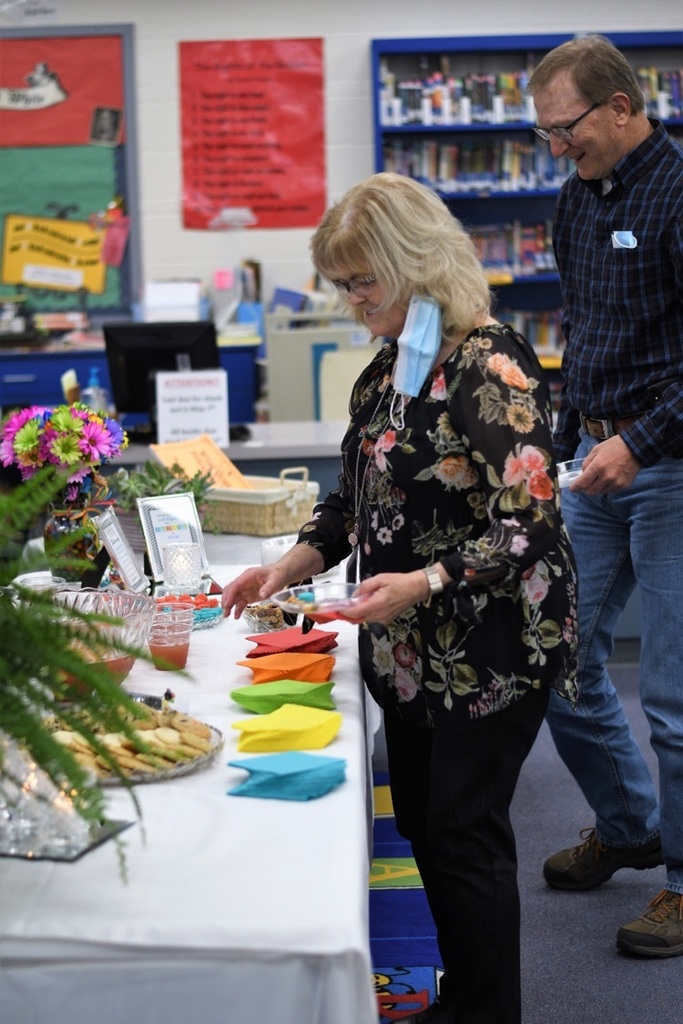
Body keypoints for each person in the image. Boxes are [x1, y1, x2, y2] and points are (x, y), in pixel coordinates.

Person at [222, 172, 578, 1024]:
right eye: (340, 283)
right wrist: (293, 562)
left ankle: (488, 1010)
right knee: (423, 824)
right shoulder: (392, 363)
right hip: (411, 646)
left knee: (463, 835)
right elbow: (356, 496)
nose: (349, 300)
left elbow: (529, 516)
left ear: (413, 263)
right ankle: (463, 992)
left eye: (360, 281)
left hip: (489, 644)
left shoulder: (488, 362)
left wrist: (427, 580)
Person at [527, 34, 683, 957]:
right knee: (556, 658)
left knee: (669, 700)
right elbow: (578, 333)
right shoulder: (573, 200)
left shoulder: (676, 191)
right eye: (544, 134)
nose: (558, 148)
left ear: (620, 106)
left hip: (667, 468)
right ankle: (631, 828)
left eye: (566, 128)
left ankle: (679, 885)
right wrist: (559, 445)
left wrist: (638, 441)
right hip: (589, 463)